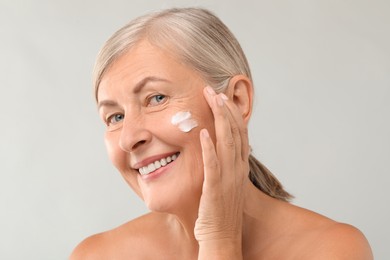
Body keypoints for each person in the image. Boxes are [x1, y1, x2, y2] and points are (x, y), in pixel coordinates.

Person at [71, 7, 373, 259]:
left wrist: (220, 240)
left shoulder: (331, 250)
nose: (128, 138)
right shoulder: (97, 255)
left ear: (237, 100)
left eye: (156, 98)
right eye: (115, 117)